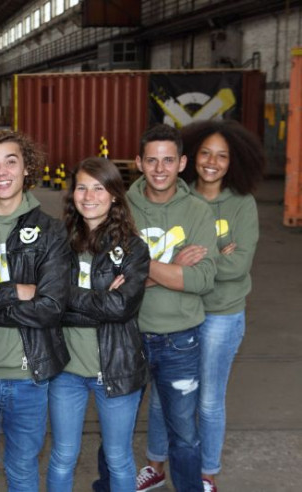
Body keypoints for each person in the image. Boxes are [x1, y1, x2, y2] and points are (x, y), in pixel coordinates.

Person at [141, 120, 265, 492]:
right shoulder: (178, 197)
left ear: (233, 161)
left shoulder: (241, 204)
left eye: (222, 156)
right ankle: (155, 465)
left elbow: (236, 266)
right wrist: (188, 261)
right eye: (206, 153)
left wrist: (190, 264)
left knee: (208, 400)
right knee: (164, 397)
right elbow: (163, 258)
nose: (212, 162)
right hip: (178, 311)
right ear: (190, 157)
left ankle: (206, 473)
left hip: (220, 315)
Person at [0, 129, 70, 491]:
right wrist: (17, 291)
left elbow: (50, 307)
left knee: (22, 471)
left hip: (29, 377)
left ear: (27, 168)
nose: (1, 172)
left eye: (11, 161)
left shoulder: (52, 231)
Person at [47, 157, 150, 492]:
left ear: (114, 194)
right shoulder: (56, 241)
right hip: (66, 371)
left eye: (98, 188)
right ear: (72, 194)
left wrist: (66, 295)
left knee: (119, 458)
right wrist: (99, 300)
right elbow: (46, 303)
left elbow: (120, 307)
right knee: (62, 456)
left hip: (116, 369)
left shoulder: (133, 248)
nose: (89, 196)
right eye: (82, 187)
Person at [126, 124, 218, 492]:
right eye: (152, 160)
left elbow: (202, 279)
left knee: (184, 434)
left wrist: (140, 268)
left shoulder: (198, 211)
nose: (159, 169)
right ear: (138, 163)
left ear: (181, 163)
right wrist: (174, 265)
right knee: (117, 430)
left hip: (180, 340)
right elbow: (110, 281)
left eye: (168, 160)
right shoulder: (122, 208)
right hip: (128, 336)